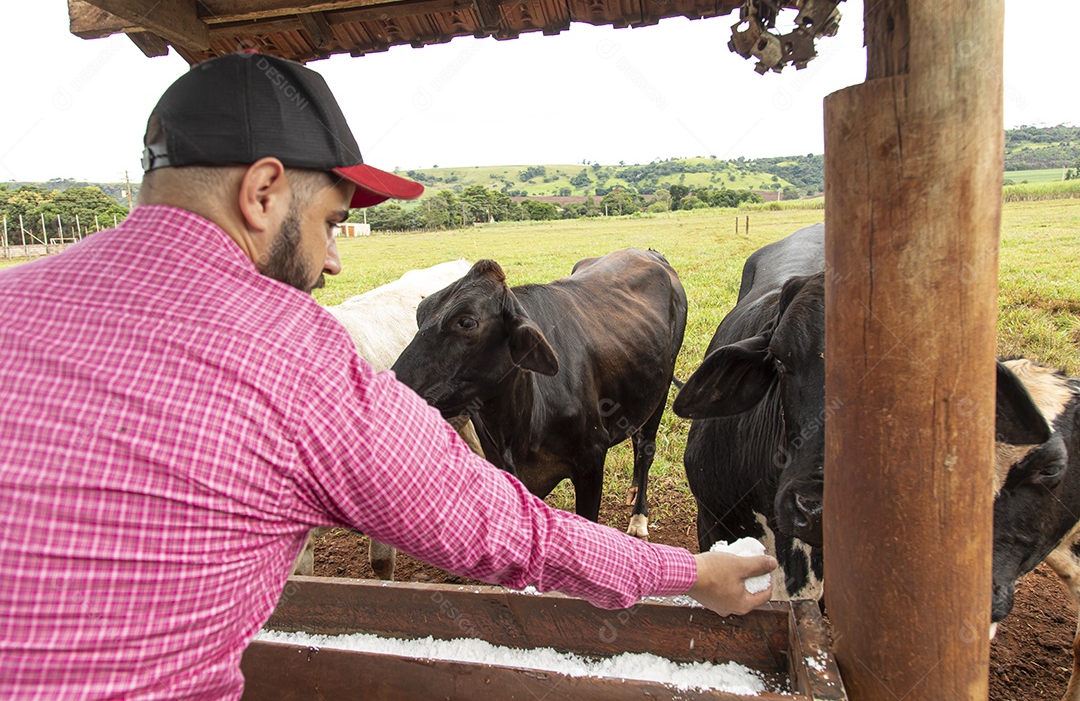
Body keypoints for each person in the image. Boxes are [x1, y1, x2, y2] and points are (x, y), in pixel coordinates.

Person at [0, 52, 776, 699]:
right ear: (263, 192)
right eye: (333, 222)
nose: (335, 259)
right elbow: (511, 533)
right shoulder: (296, 358)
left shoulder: (10, 298)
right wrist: (690, 572)